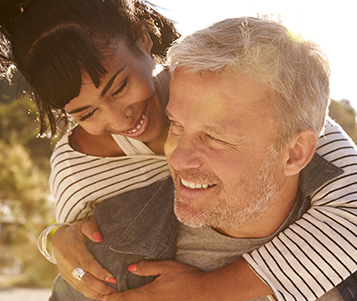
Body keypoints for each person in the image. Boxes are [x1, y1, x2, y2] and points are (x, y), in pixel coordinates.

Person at [0, 0, 356, 300]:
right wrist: (53, 239)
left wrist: (208, 290)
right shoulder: (77, 169)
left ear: (142, 39)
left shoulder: (216, 86)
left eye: (120, 86)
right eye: (86, 113)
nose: (119, 118)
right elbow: (80, 244)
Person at [102, 17, 357, 301]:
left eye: (214, 137)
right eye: (176, 125)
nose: (179, 159)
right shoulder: (106, 257)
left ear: (296, 152)